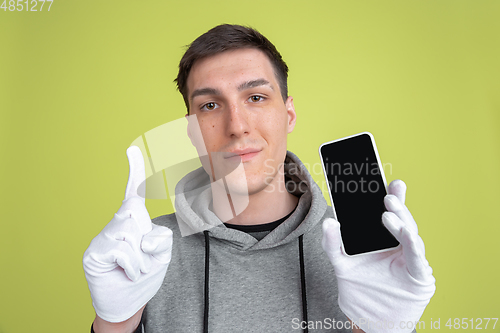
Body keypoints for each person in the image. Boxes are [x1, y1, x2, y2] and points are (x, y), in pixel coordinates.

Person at [83, 24, 436, 333]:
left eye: (255, 97)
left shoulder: (362, 253)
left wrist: (385, 329)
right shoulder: (145, 253)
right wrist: (114, 323)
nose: (236, 126)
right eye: (209, 105)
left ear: (289, 114)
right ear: (190, 130)